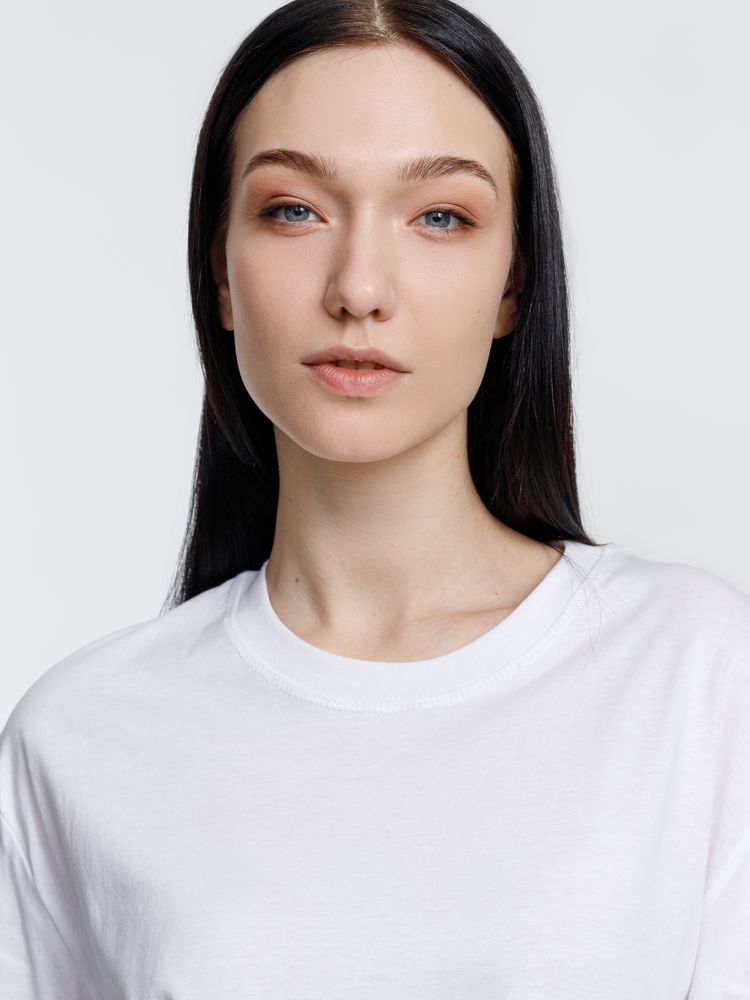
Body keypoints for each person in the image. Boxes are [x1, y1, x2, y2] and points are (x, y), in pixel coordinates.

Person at [1, 1, 748, 997]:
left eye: (440, 216)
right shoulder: (79, 737)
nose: (359, 288)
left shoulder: (695, 674)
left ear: (513, 285)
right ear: (218, 272)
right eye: (293, 210)